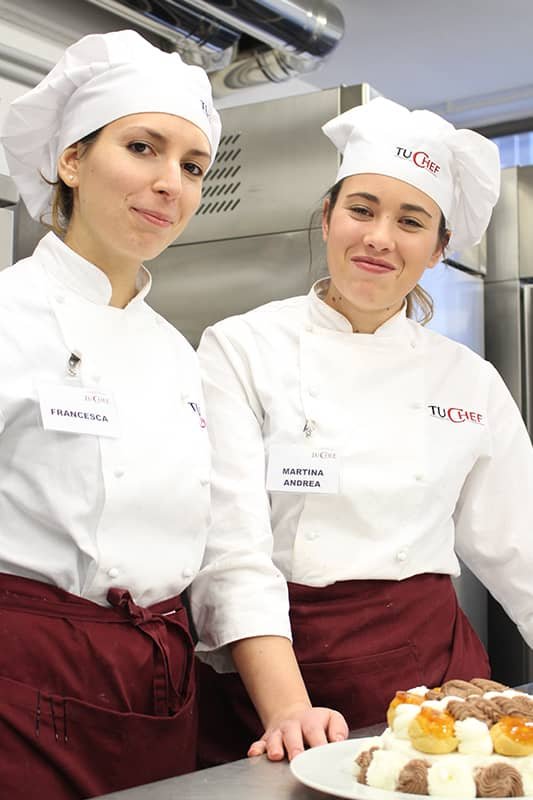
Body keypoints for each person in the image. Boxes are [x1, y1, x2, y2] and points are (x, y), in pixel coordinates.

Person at [0, 30, 348, 798]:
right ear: (71, 160)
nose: (170, 183)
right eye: (142, 148)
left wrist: (287, 709)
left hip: (157, 685)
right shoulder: (8, 317)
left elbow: (225, 543)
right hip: (20, 683)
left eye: (192, 167)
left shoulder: (178, 355)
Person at [191, 96, 533, 766]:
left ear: (438, 249)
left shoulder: (468, 379)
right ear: (327, 217)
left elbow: (520, 541)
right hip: (279, 666)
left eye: (410, 221)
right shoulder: (240, 348)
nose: (379, 237)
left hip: (434, 671)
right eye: (361, 209)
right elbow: (228, 545)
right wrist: (286, 707)